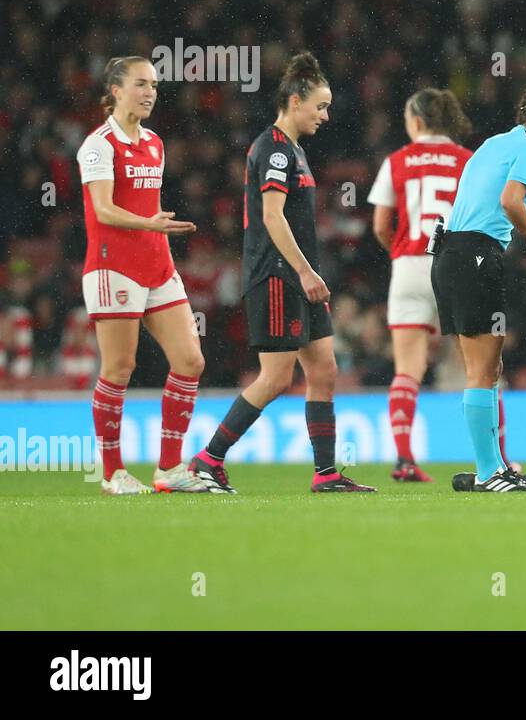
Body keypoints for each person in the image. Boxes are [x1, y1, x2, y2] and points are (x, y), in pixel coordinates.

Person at [189, 52, 374, 494]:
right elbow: (272, 217)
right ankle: (206, 459)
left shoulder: (294, 150)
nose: (326, 115)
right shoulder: (273, 148)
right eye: (320, 106)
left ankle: (326, 473)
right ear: (294, 100)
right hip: (276, 276)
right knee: (275, 378)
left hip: (297, 278)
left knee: (324, 370)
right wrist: (306, 272)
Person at [431, 66, 526, 492]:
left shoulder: (497, 143)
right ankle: (488, 472)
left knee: (485, 368)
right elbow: (509, 200)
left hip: (449, 255)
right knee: (482, 371)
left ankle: (492, 467)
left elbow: (485, 196)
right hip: (477, 253)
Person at [76, 57, 210, 494]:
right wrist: (151, 223)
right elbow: (103, 210)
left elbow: (147, 205)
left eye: (153, 84)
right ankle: (113, 473)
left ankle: (169, 469)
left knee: (191, 360)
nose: (150, 92)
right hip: (114, 266)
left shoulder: (154, 142)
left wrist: (159, 235)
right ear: (115, 90)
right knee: (119, 367)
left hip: (158, 264)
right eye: (140, 84)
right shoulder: (97, 145)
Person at [368, 87, 477, 482]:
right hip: (455, 265)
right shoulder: (467, 161)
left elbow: (381, 225)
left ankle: (403, 459)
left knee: (407, 368)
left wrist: (399, 251)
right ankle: (495, 459)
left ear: (415, 121)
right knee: (478, 369)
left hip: (409, 266)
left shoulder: (397, 160)